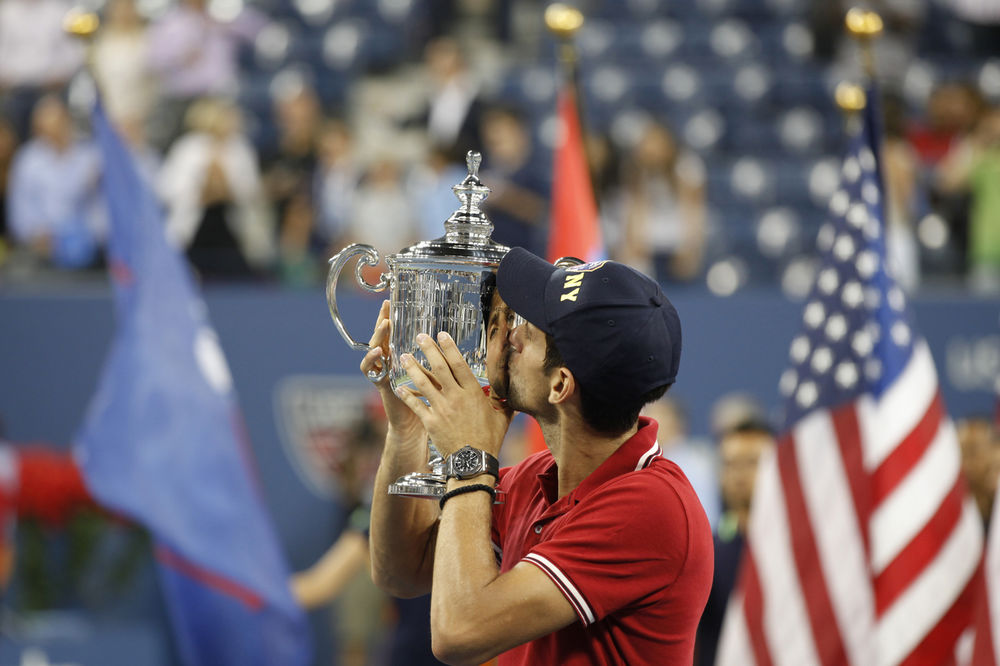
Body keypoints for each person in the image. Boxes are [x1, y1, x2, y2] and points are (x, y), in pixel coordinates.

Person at [363, 248, 714, 664]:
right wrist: (408, 431)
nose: (509, 335)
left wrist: (470, 457)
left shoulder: (652, 506)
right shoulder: (537, 476)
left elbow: (459, 632)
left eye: (527, 331)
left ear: (559, 385)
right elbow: (401, 570)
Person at [694, 419, 775, 666]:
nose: (740, 475)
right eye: (730, 465)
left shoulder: (798, 549)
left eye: (752, 463)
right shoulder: (706, 552)